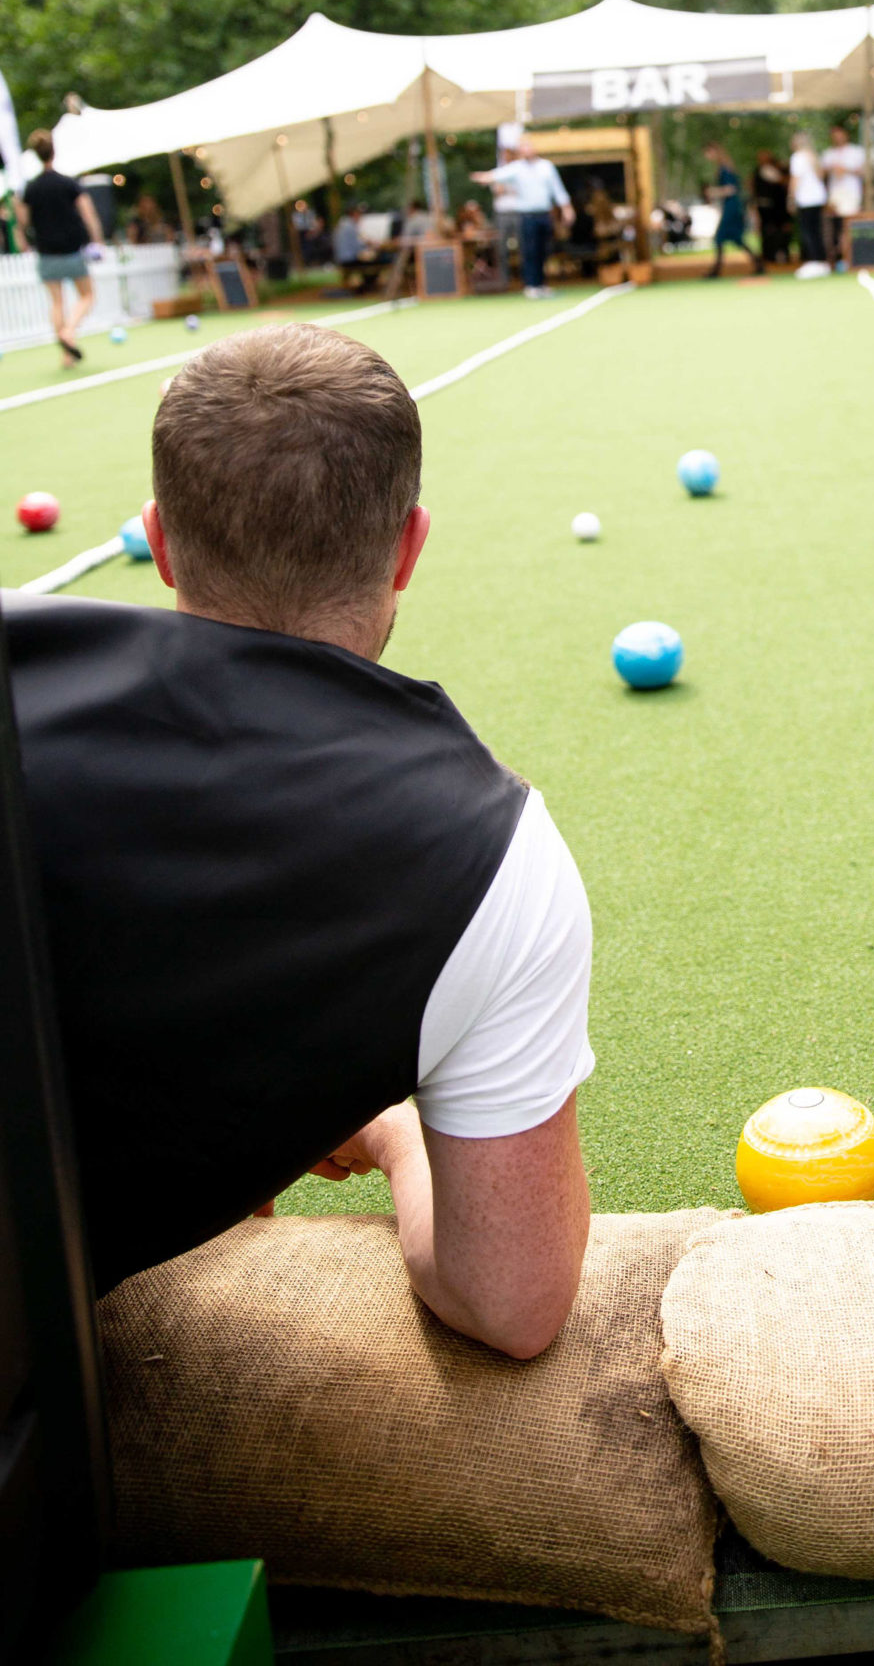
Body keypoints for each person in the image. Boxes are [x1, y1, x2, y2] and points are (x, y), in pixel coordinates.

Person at [6, 325, 594, 1352]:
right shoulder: (499, 855)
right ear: (409, 547)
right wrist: (398, 1135)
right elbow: (513, 1301)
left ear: (159, 537)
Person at [19, 130, 102, 369]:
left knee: (57, 302)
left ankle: (66, 355)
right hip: (71, 250)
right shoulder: (68, 183)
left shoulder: (31, 189)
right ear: (53, 151)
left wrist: (24, 241)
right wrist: (96, 239)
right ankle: (69, 331)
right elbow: (89, 215)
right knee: (87, 295)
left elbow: (22, 222)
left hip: (46, 252)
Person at [474, 135, 571, 297]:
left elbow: (558, 190)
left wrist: (567, 208)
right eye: (522, 147)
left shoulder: (546, 167)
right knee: (529, 250)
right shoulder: (517, 168)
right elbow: (497, 175)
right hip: (527, 216)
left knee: (544, 251)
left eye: (528, 146)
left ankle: (541, 284)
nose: (525, 150)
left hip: (544, 214)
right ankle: (531, 285)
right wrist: (483, 177)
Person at [703, 141, 757, 280]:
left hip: (731, 206)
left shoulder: (725, 168)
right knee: (736, 239)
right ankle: (758, 263)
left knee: (720, 237)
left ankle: (716, 270)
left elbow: (731, 189)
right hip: (732, 206)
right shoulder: (725, 166)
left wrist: (713, 192)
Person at [822, 125, 867, 269]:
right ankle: (838, 259)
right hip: (834, 195)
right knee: (835, 228)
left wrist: (846, 170)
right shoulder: (828, 154)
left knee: (849, 226)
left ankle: (852, 258)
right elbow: (821, 173)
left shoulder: (856, 151)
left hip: (851, 193)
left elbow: (865, 172)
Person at [787, 133, 830, 277]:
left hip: (806, 199)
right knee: (816, 231)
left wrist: (791, 198)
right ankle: (822, 262)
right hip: (818, 198)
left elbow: (795, 180)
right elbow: (821, 176)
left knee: (808, 231)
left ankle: (815, 261)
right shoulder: (814, 157)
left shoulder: (797, 157)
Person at [751, 149, 793, 266]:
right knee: (769, 231)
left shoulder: (771, 170)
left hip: (777, 206)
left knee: (779, 230)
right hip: (769, 206)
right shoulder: (763, 171)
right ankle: (770, 255)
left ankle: (779, 253)